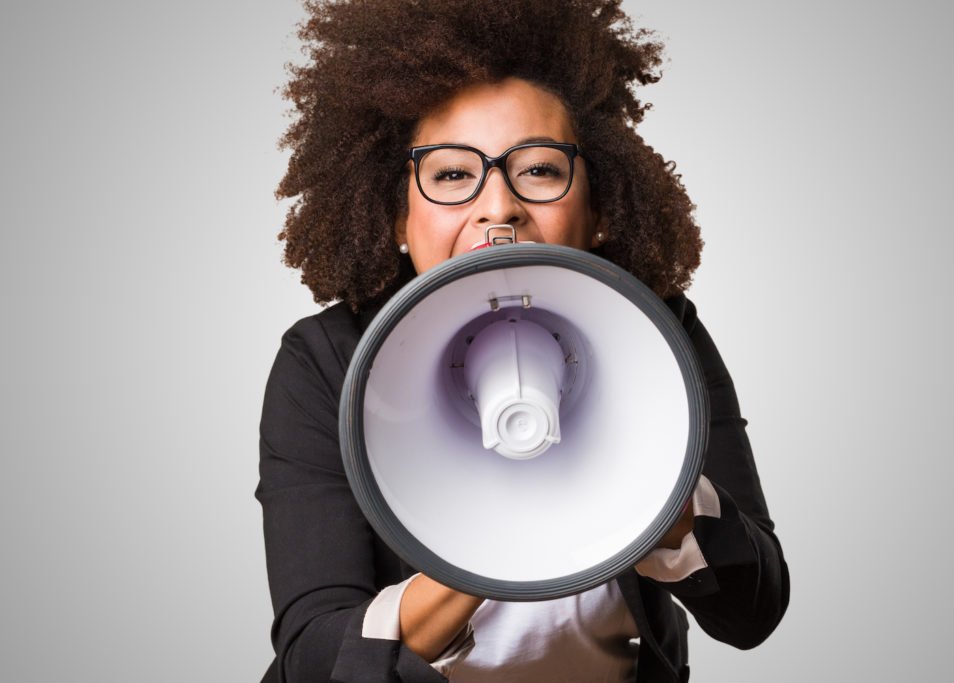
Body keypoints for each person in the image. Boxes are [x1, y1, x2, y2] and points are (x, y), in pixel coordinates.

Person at [257, 1, 789, 681]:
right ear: (396, 214)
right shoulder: (327, 362)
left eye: (538, 168)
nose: (498, 204)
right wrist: (502, 530)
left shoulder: (660, 333)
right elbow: (314, 657)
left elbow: (755, 610)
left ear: (597, 210)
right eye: (451, 174)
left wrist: (669, 505)